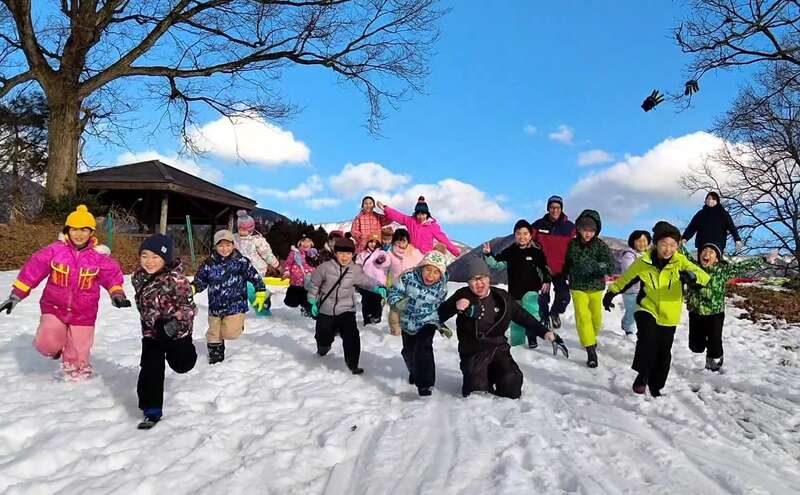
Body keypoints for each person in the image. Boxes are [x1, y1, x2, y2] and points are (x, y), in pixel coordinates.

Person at [0, 205, 130, 379]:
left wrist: (117, 295)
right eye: (74, 229)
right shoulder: (54, 251)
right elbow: (32, 271)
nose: (79, 234)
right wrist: (16, 296)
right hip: (54, 307)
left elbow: (112, 277)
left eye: (84, 229)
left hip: (84, 313)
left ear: (91, 233)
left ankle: (76, 382)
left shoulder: (99, 258)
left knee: (77, 354)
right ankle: (57, 349)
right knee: (45, 343)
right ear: (67, 230)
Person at [603, 221, 709, 397]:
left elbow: (703, 277)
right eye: (664, 244)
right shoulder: (643, 262)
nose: (668, 249)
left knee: (663, 352)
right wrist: (610, 293)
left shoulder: (680, 261)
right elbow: (626, 279)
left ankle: (656, 385)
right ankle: (643, 374)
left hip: (669, 313)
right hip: (647, 306)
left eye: (673, 245)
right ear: (656, 244)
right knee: (647, 339)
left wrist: (692, 277)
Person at [438, 257, 568, 399]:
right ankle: (482, 375)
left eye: (482, 278)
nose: (479, 283)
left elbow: (522, 316)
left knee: (512, 384)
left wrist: (545, 332)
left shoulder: (502, 298)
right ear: (468, 282)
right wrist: (454, 306)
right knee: (476, 392)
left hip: (498, 348)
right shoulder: (462, 295)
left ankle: (495, 373)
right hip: (473, 351)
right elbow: (439, 316)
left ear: (489, 278)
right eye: (473, 279)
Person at [132, 234, 197, 429]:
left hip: (175, 332)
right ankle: (151, 410)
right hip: (151, 333)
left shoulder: (177, 280)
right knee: (150, 368)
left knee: (182, 364)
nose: (149, 262)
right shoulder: (139, 277)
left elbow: (189, 309)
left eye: (155, 257)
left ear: (165, 259)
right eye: (145, 256)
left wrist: (174, 326)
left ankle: (187, 355)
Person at [307, 237, 387, 374]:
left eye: (348, 254)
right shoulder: (325, 268)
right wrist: (312, 301)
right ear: (335, 253)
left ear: (353, 254)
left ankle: (353, 364)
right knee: (323, 335)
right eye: (341, 253)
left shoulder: (355, 270)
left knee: (352, 336)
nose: (344, 257)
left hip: (346, 309)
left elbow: (365, 280)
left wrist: (377, 287)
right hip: (326, 308)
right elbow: (314, 284)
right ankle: (323, 347)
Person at [684, 243, 765, 372]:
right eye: (704, 250)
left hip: (715, 313)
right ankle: (703, 344)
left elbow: (742, 267)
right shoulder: (693, 267)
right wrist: (678, 240)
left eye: (711, 252)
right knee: (695, 347)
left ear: (717, 259)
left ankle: (714, 359)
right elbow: (683, 254)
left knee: (714, 341)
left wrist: (764, 259)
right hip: (696, 312)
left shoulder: (722, 271)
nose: (706, 253)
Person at [192, 230, 268, 364]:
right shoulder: (208, 264)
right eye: (220, 245)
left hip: (235, 306)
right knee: (214, 333)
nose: (224, 248)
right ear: (215, 246)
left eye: (228, 245)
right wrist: (193, 288)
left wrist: (260, 290)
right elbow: (200, 280)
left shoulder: (241, 262)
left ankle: (238, 326)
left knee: (230, 333)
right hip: (215, 306)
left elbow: (255, 277)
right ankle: (215, 357)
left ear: (233, 245)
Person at [387, 251, 451, 396]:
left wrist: (440, 325)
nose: (431, 275)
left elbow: (438, 307)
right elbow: (393, 292)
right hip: (407, 321)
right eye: (428, 270)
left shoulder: (442, 286)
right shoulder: (408, 277)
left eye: (436, 272)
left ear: (441, 274)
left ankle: (425, 384)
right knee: (409, 351)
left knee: (424, 347)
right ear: (421, 267)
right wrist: (398, 302)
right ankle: (415, 371)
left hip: (427, 321)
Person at [482, 219, 551, 348]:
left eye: (525, 233)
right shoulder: (510, 251)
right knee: (516, 317)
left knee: (530, 312)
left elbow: (544, 268)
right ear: (515, 235)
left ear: (530, 235)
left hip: (531, 290)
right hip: (514, 290)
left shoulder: (536, 252)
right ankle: (517, 344)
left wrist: (546, 280)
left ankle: (532, 337)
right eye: (519, 233)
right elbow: (496, 263)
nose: (522, 236)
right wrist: (488, 254)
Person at [562, 210, 615, 368]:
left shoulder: (601, 246)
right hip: (577, 286)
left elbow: (610, 266)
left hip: (596, 286)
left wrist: (596, 267)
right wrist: (565, 274)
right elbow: (568, 263)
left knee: (596, 317)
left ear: (596, 231)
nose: (588, 233)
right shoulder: (572, 244)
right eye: (585, 230)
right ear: (578, 229)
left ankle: (591, 337)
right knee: (582, 316)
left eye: (591, 231)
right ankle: (591, 351)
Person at [531, 195, 576, 330]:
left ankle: (555, 313)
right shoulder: (538, 225)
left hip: (561, 269)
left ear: (561, 209)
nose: (554, 210)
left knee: (564, 296)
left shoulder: (570, 227)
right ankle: (544, 317)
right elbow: (527, 239)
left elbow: (576, 247)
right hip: (542, 268)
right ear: (548, 209)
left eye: (557, 208)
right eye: (552, 207)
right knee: (542, 296)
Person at [377, 196, 461, 256]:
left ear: (427, 214)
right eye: (418, 214)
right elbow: (398, 215)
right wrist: (385, 208)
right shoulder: (411, 221)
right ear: (415, 214)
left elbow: (443, 239)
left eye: (423, 214)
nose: (420, 217)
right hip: (411, 253)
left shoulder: (433, 226)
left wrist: (455, 251)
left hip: (424, 255)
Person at [233, 209, 279, 315]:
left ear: (250, 229)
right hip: (240, 269)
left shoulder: (257, 240)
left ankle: (262, 308)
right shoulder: (235, 238)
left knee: (251, 289)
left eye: (244, 229)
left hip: (257, 269)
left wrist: (276, 264)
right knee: (242, 289)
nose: (241, 231)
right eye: (240, 228)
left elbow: (267, 254)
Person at [385, 228, 424, 335]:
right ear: (394, 241)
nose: (401, 244)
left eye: (404, 241)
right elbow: (383, 266)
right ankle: (395, 333)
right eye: (398, 241)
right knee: (395, 311)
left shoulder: (415, 253)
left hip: (413, 288)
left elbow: (423, 265)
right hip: (396, 288)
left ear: (408, 241)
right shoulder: (389, 253)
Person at [619, 230, 651, 336]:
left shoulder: (649, 255)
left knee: (643, 312)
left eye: (644, 241)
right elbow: (629, 271)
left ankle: (637, 328)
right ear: (633, 242)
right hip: (631, 290)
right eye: (639, 241)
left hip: (646, 289)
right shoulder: (629, 255)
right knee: (632, 311)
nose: (642, 244)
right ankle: (628, 329)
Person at [355, 234, 391, 324]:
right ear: (367, 242)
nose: (373, 244)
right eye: (371, 242)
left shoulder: (381, 252)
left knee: (376, 301)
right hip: (365, 284)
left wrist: (382, 260)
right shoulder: (363, 254)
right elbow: (357, 265)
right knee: (366, 301)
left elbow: (387, 263)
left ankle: (376, 317)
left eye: (375, 242)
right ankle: (367, 319)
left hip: (378, 283)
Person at [283, 235, 319, 318]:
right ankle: (296, 308)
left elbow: (318, 265)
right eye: (303, 243)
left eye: (308, 243)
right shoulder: (295, 253)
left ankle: (307, 310)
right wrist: (287, 271)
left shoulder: (314, 254)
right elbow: (288, 263)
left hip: (309, 282)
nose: (305, 245)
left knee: (307, 299)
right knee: (291, 301)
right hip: (296, 282)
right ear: (299, 244)